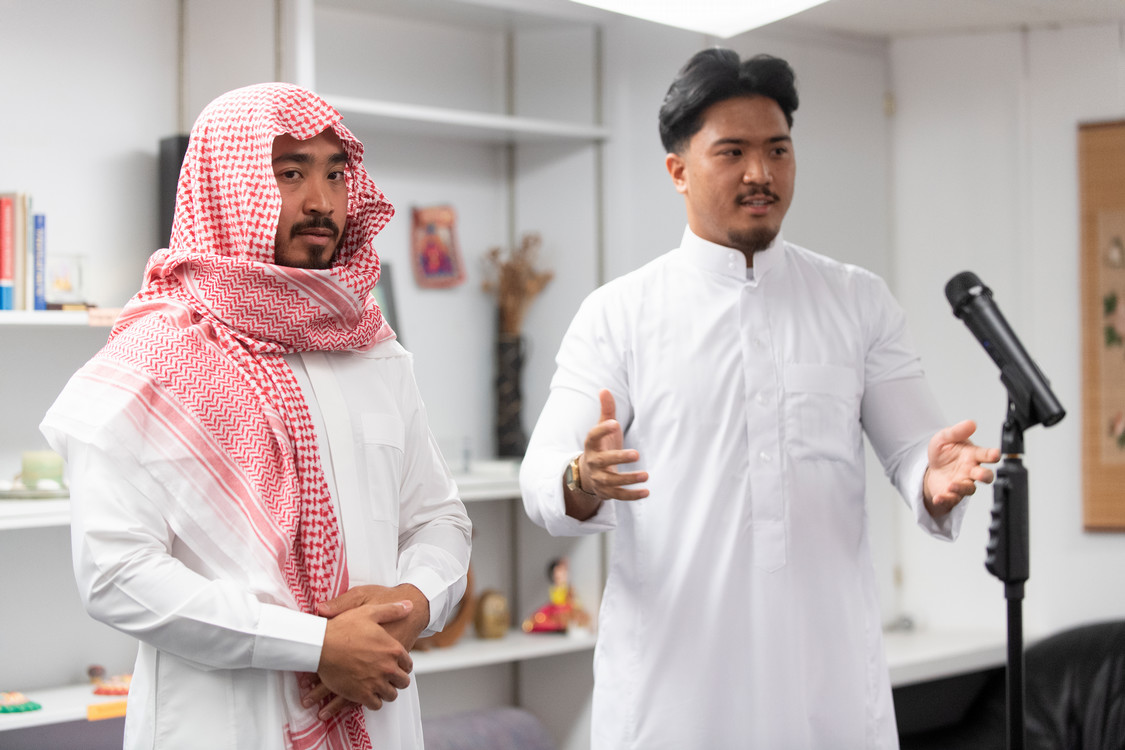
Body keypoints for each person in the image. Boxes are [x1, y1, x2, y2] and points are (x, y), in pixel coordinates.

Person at [519, 49, 1001, 749]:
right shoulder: (618, 313)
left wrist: (936, 478)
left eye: (777, 150)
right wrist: (580, 478)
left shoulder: (854, 300)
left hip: (825, 685)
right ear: (677, 170)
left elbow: (913, 450)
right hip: (675, 696)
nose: (760, 174)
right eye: (733, 152)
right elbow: (542, 477)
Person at [40, 83, 472, 750]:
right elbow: (115, 573)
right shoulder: (150, 363)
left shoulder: (376, 352)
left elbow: (438, 519)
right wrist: (315, 645)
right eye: (290, 173)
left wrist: (413, 602)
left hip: (378, 719)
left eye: (335, 174)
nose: (321, 202)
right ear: (226, 186)